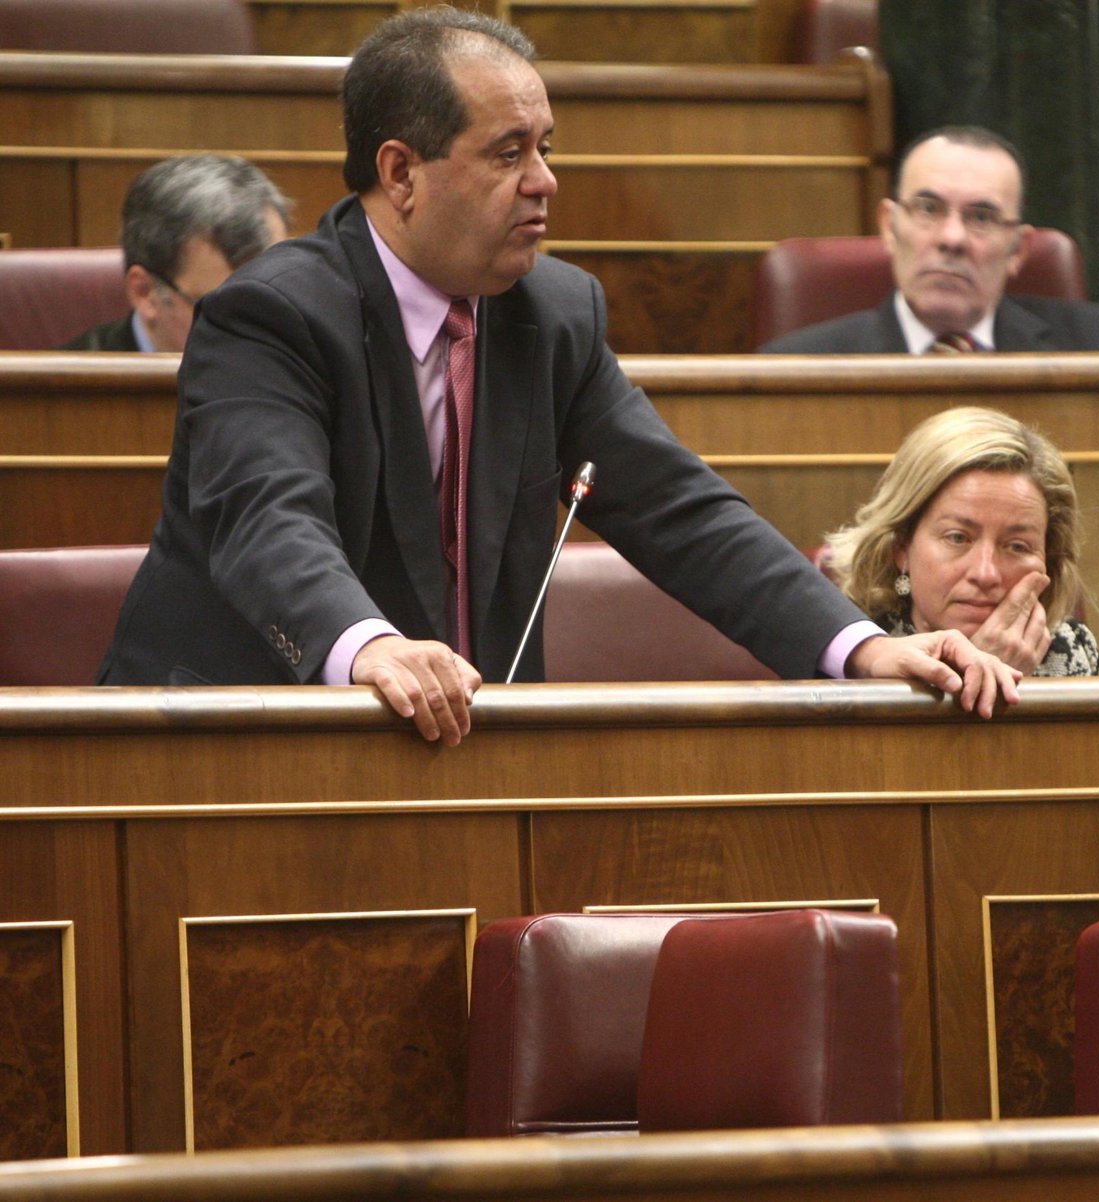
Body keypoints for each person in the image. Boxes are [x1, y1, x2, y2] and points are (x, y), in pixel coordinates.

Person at [97, 6, 1020, 743]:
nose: (544, 181)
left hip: (462, 746)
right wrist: (368, 645)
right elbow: (269, 521)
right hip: (233, 742)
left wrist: (857, 646)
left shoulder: (553, 312)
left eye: (546, 148)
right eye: (509, 154)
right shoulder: (271, 315)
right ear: (401, 173)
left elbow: (678, 509)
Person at [758, 125, 1099, 354]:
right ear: (889, 227)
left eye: (981, 217)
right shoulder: (799, 365)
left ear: (1017, 249)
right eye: (929, 209)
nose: (952, 238)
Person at [824, 406, 1099, 676]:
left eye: (1017, 546)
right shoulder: (852, 652)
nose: (985, 574)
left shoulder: (1070, 651)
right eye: (957, 538)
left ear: (1049, 559)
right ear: (901, 547)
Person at [61, 154, 291, 353]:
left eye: (276, 302)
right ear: (145, 292)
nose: (265, 334)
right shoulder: (64, 386)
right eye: (225, 311)